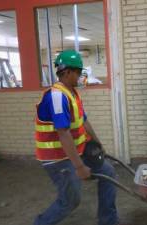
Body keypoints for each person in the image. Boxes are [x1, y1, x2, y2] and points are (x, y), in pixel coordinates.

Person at [34, 50, 124, 225]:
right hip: (57, 159)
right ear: (67, 72)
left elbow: (83, 120)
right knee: (70, 200)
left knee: (108, 172)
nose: (81, 77)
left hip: (76, 152)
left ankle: (108, 221)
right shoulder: (57, 96)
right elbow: (63, 133)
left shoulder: (72, 93)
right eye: (78, 72)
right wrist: (80, 166)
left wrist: (97, 142)